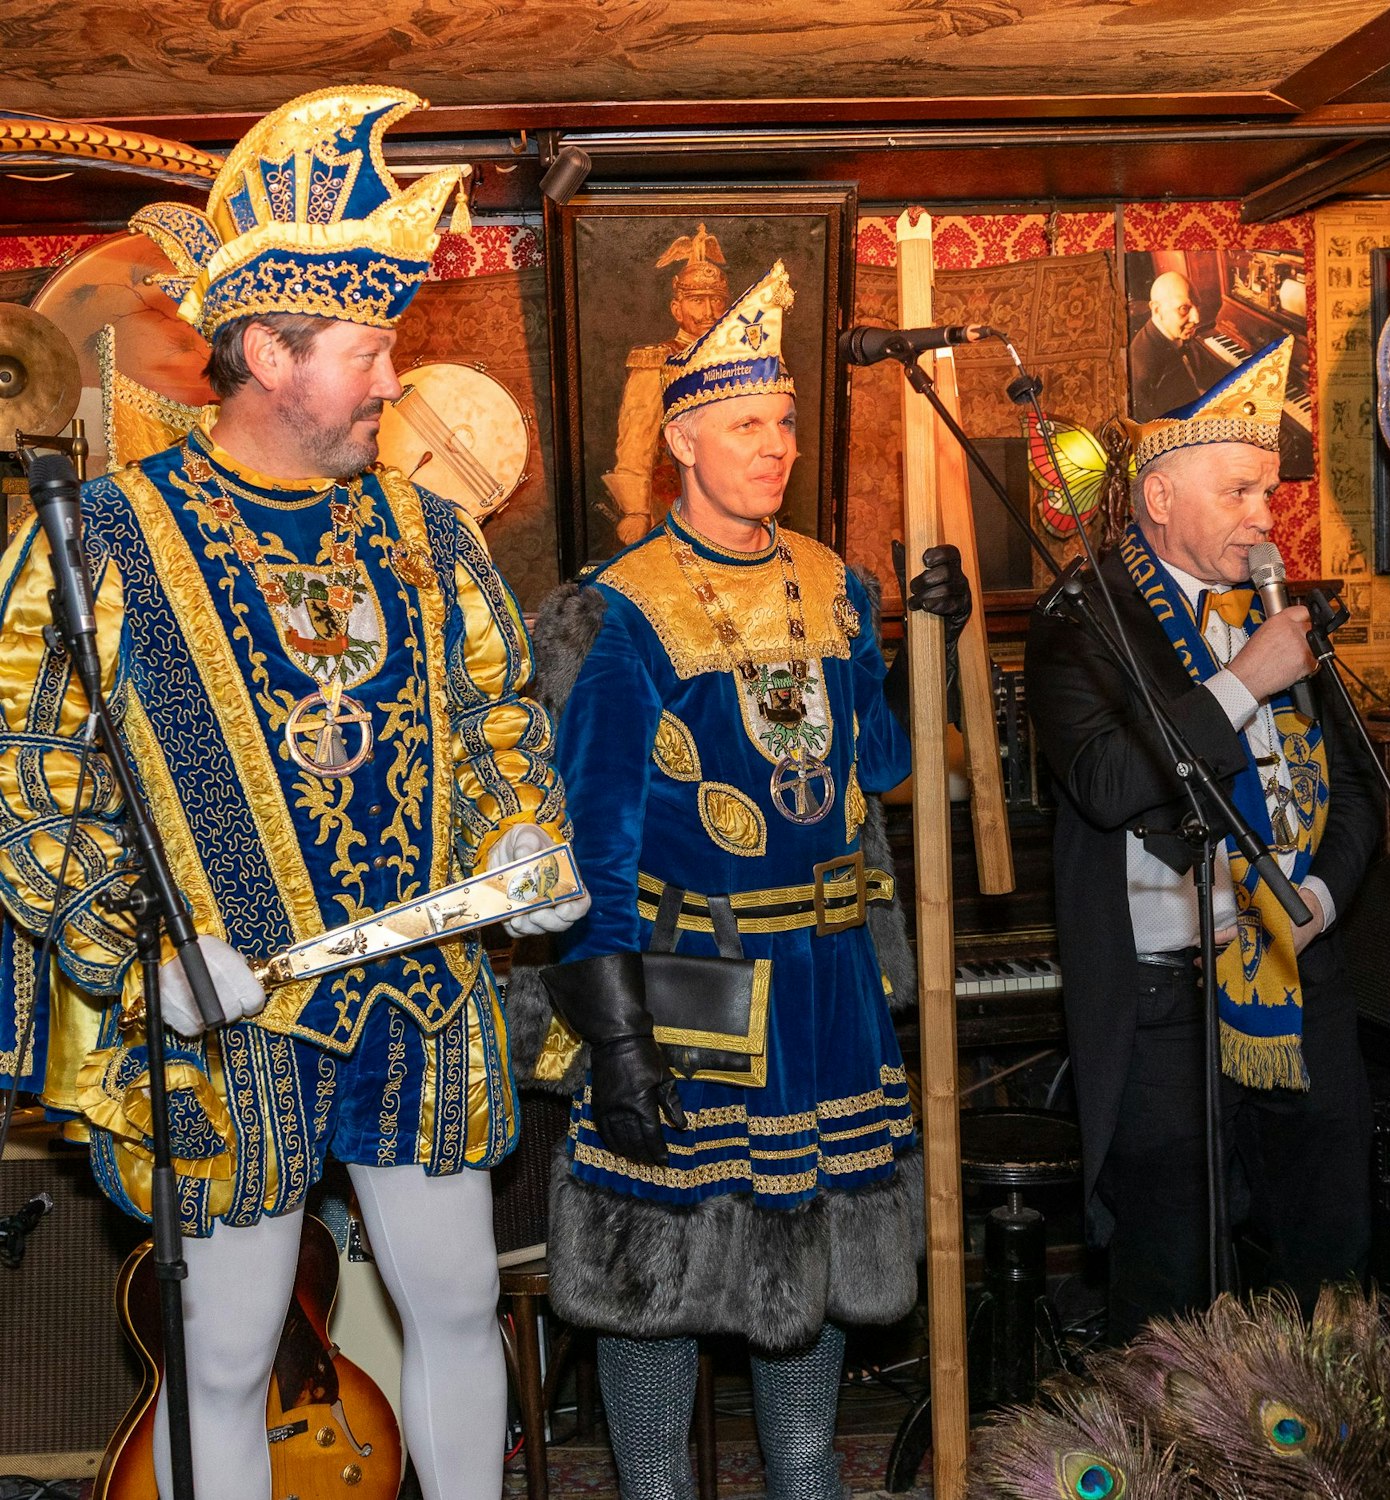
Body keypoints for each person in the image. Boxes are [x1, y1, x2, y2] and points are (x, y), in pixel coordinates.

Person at [0, 87, 585, 1500]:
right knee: (227, 1349)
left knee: (456, 1309)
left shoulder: (430, 535)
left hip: (423, 990)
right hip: (226, 1004)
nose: (394, 382)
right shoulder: (108, 543)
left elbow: (497, 720)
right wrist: (134, 940)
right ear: (268, 351)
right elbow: (30, 773)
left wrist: (526, 837)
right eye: (371, 351)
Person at [513, 259, 971, 1500]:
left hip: (827, 985)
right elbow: (589, 845)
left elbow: (872, 769)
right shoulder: (611, 614)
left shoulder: (833, 584)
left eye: (781, 425)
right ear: (680, 440)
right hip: (691, 986)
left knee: (811, 1260)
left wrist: (923, 648)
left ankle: (807, 1481)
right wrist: (613, 1042)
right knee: (662, 1282)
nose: (774, 450)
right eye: (744, 427)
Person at [1025, 337, 1382, 1342]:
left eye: (1268, 494)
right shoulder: (1081, 620)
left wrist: (1317, 899)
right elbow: (1104, 786)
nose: (1265, 519)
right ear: (1159, 500)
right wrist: (1243, 682)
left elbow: (1358, 790)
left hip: (1297, 969)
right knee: (1173, 1276)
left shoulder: (1284, 611)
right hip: (1160, 997)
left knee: (1327, 1258)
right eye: (1238, 493)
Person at [603, 223, 732, 547]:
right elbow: (636, 441)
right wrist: (635, 511)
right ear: (677, 309)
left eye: (716, 300)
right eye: (697, 301)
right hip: (671, 510)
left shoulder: (742, 360)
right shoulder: (656, 362)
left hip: (733, 509)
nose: (708, 311)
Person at [1126, 269, 1227, 421]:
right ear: (1157, 310)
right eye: (1184, 309)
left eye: (1197, 305)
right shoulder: (1143, 368)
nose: (1196, 318)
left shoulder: (1176, 333)